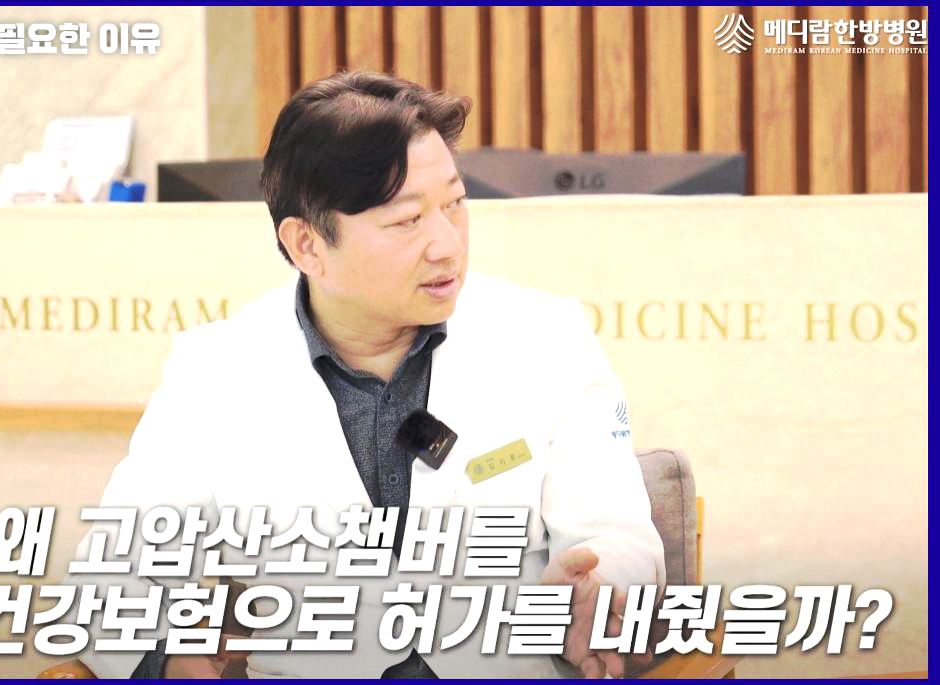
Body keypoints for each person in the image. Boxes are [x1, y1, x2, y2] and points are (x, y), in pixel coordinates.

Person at [50, 70, 665, 679]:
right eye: (406, 221)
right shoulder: (216, 371)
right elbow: (118, 569)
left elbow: (618, 536)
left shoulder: (547, 337)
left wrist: (601, 590)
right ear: (307, 245)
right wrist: (164, 657)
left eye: (455, 204)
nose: (448, 245)